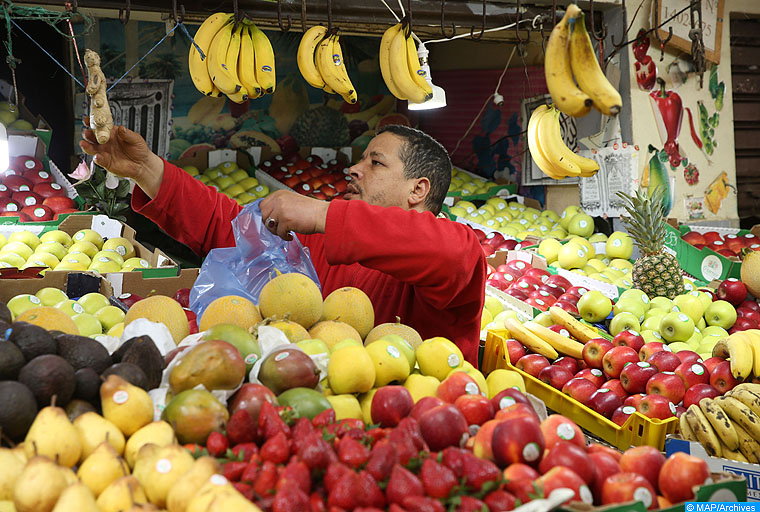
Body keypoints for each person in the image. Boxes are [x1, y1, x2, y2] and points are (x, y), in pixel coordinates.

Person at [80, 121, 487, 366]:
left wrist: (322, 214)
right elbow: (234, 228)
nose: (354, 169)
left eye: (375, 162)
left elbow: (455, 253)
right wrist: (148, 170)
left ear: (418, 190)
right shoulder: (334, 243)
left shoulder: (445, 261)